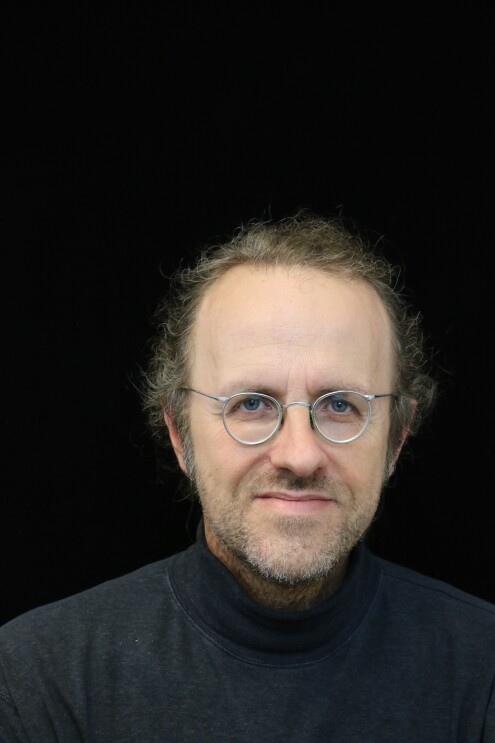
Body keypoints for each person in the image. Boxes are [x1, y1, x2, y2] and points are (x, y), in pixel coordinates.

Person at [0, 214, 494, 742]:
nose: (300, 456)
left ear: (396, 439)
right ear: (179, 433)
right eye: (252, 404)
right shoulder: (37, 678)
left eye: (341, 406)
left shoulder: (483, 668)